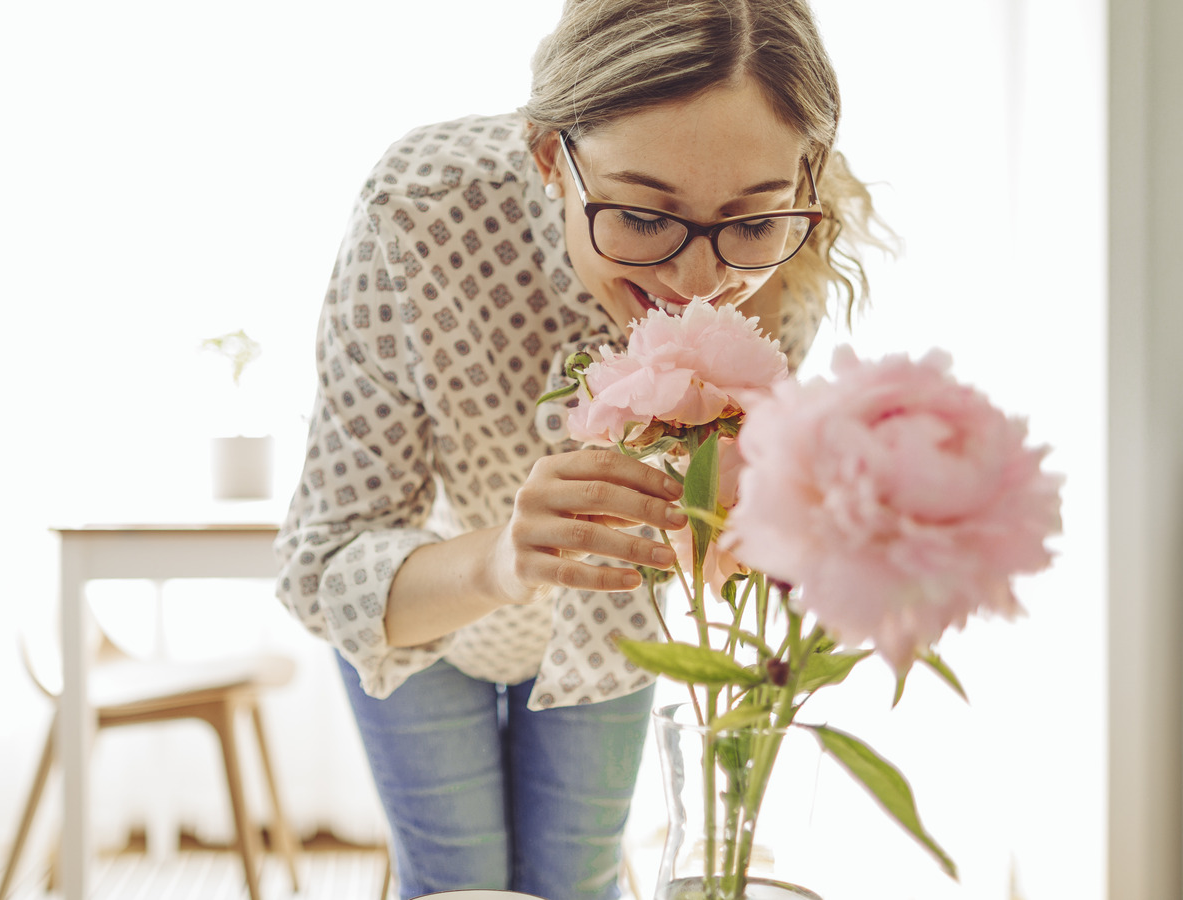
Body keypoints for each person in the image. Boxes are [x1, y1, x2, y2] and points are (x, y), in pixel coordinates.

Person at [274, 1, 885, 897]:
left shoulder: (781, 269)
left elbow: (722, 529)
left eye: (749, 223)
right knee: (459, 881)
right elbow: (324, 567)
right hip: (426, 610)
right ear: (548, 156)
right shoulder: (418, 216)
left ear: (805, 178)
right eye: (643, 216)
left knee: (580, 877)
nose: (698, 283)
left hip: (609, 613)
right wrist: (503, 560)